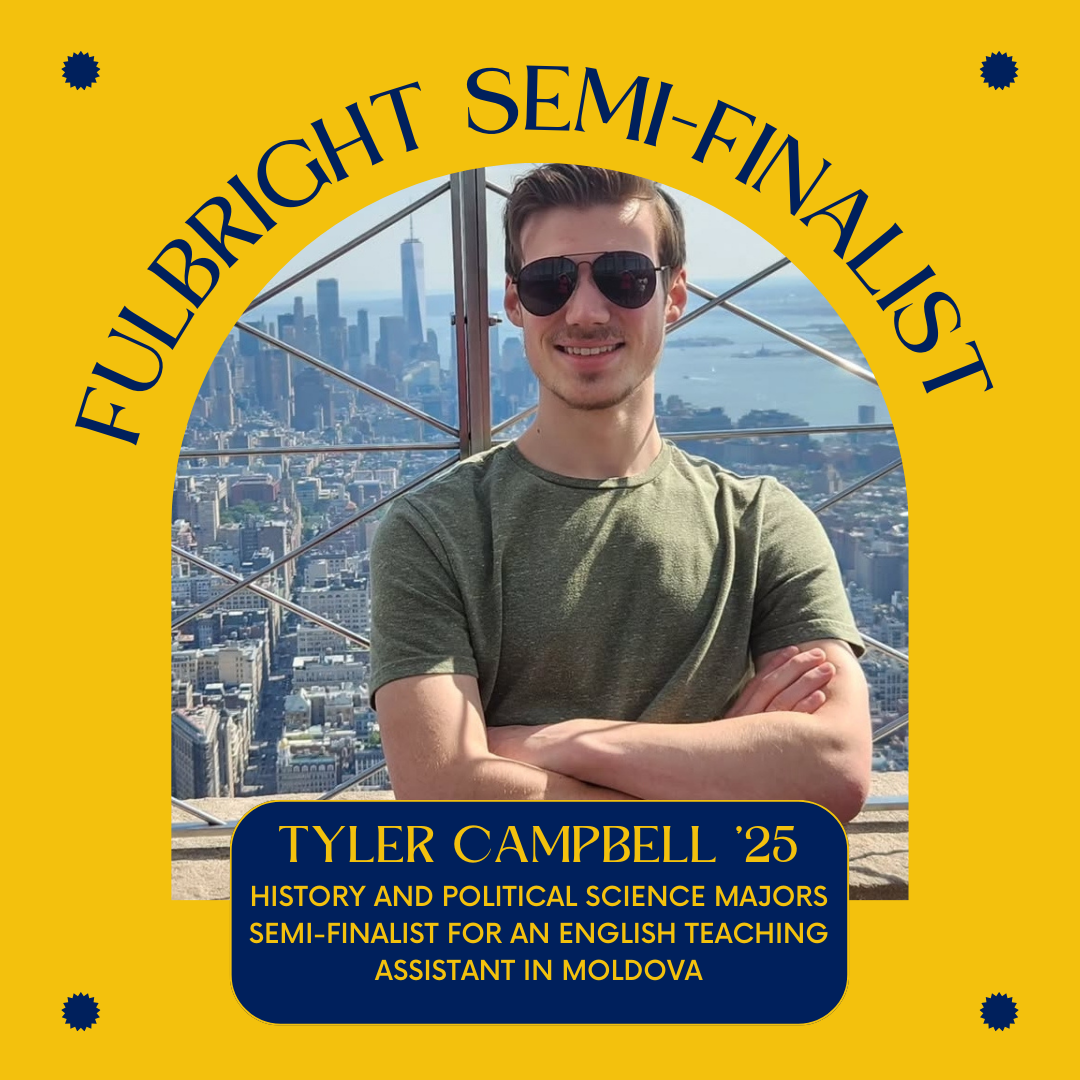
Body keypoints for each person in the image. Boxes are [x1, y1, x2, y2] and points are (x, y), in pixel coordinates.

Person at [369, 164, 872, 820]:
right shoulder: (434, 530)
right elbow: (444, 796)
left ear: (675, 296)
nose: (584, 311)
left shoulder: (764, 523)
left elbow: (834, 766)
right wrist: (727, 771)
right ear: (516, 303)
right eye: (551, 284)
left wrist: (560, 744)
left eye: (625, 277)